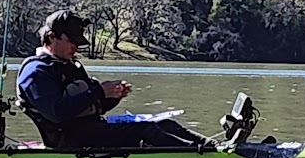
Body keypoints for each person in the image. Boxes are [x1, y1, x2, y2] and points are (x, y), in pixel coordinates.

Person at [16, 11, 211, 150]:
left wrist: (111, 97)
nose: (76, 47)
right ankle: (201, 157)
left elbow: (89, 107)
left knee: (164, 124)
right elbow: (57, 113)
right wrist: (99, 91)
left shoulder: (69, 65)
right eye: (72, 42)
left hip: (92, 131)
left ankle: (212, 147)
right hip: (69, 142)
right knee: (146, 130)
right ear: (52, 37)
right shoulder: (35, 72)